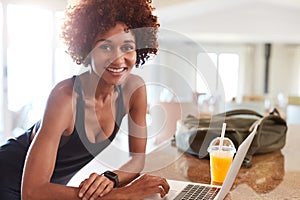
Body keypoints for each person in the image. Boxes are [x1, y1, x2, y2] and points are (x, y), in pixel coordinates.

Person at [0, 0, 170, 199]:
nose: (118, 59)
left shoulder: (135, 90)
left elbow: (137, 158)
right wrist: (121, 194)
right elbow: (32, 192)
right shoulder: (65, 97)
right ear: (86, 49)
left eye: (127, 47)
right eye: (105, 47)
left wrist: (111, 178)